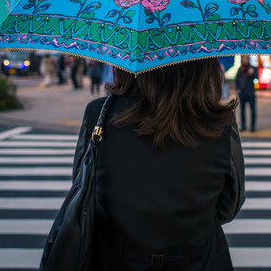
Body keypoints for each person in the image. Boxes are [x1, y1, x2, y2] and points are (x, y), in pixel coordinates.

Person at [73, 58, 244, 271]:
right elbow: (229, 205)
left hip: (114, 258)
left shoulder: (99, 115)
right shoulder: (220, 122)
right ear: (204, 64)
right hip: (199, 258)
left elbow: (82, 191)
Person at [235, 55, 257, 132]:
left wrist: (252, 73)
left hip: (251, 93)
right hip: (242, 93)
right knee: (242, 110)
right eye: (244, 58)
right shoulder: (240, 69)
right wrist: (238, 89)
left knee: (253, 110)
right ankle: (243, 126)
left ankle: (252, 126)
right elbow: (237, 79)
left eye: (247, 58)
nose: (245, 60)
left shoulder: (253, 68)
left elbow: (256, 77)